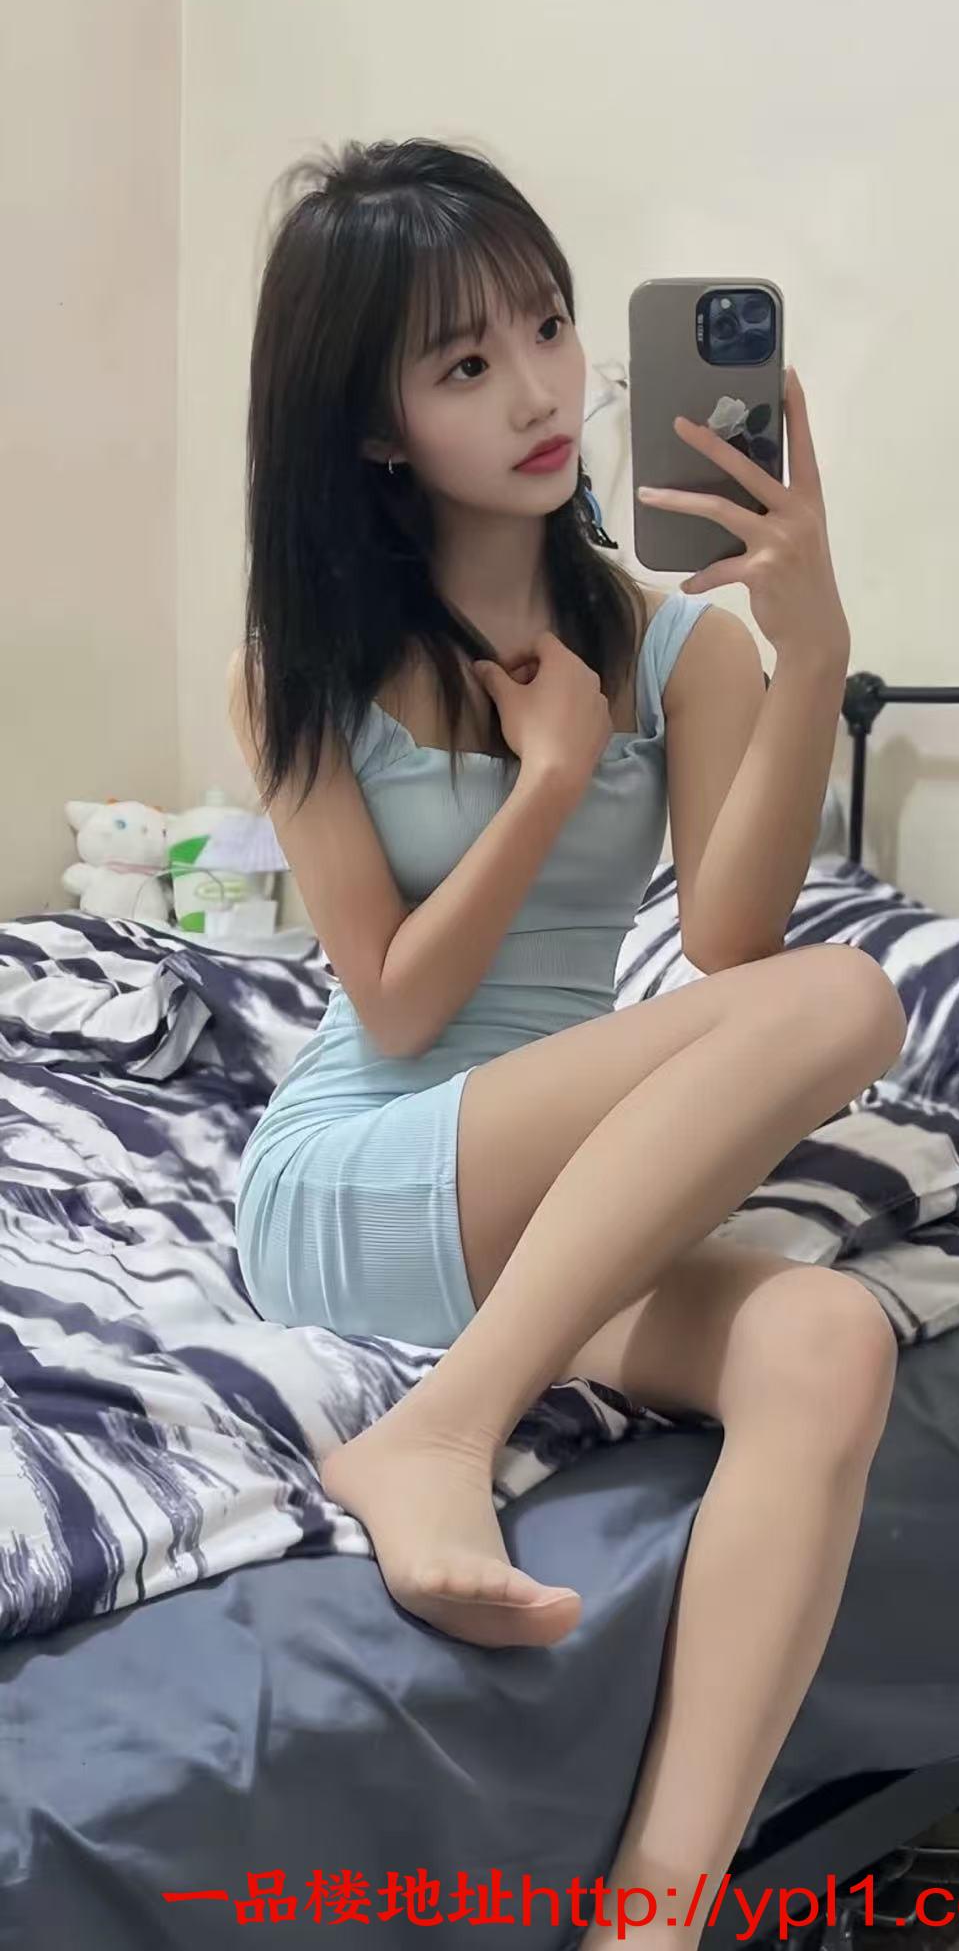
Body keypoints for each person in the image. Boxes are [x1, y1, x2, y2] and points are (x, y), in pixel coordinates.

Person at [228, 136, 907, 1949]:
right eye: (465, 363)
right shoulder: (306, 662)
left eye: (545, 327)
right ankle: (437, 1435)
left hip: (544, 1208)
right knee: (852, 997)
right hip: (360, 1169)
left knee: (830, 1339)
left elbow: (733, 946)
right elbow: (392, 1000)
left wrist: (810, 643)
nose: (539, 392)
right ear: (375, 428)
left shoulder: (685, 649)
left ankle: (655, 1916)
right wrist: (545, 781)